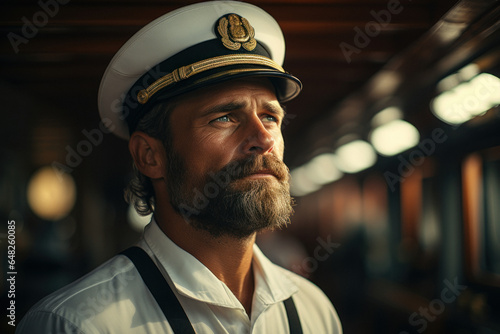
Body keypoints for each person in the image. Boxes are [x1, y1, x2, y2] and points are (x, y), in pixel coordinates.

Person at [17, 1, 343, 333]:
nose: (263, 138)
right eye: (225, 117)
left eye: (270, 117)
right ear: (149, 156)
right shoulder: (75, 324)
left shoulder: (314, 311)